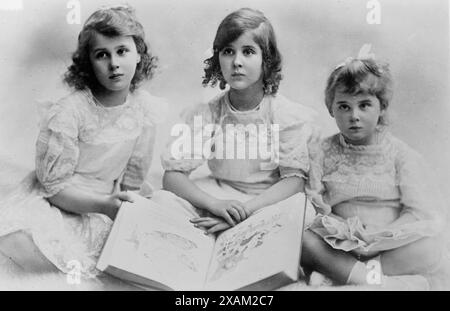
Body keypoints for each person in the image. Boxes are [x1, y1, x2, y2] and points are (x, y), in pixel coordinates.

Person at [0, 5, 166, 278]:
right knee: (31, 246)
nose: (114, 63)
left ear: (139, 55)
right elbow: (53, 188)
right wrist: (103, 206)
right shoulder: (69, 112)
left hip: (109, 199)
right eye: (102, 55)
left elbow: (133, 177)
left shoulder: (144, 110)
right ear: (89, 63)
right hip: (61, 200)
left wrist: (125, 204)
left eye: (122, 51)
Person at [160, 8, 319, 235]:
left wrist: (246, 210)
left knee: (299, 215)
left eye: (248, 51)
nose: (237, 62)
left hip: (265, 201)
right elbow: (172, 176)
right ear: (218, 60)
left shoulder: (283, 114)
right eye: (228, 51)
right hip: (219, 196)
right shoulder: (208, 113)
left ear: (267, 59)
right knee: (163, 200)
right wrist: (214, 204)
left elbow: (293, 182)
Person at [300, 57, 449, 290]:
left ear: (382, 107)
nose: (354, 116)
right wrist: (344, 231)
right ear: (331, 109)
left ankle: (353, 276)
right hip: (341, 244)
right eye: (344, 106)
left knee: (431, 247)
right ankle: (369, 279)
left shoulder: (400, 155)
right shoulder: (321, 151)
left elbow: (417, 211)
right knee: (303, 239)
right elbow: (315, 203)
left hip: (388, 243)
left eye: (364, 105)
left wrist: (382, 235)